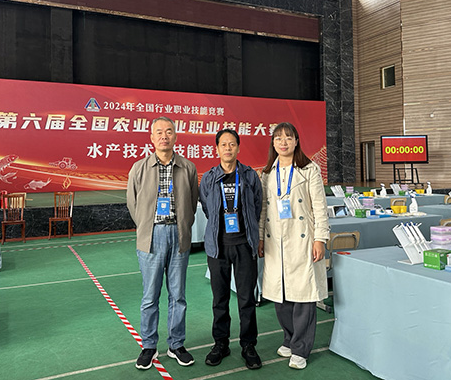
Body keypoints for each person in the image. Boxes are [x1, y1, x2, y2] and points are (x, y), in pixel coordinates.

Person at [126, 117, 199, 370]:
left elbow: (192, 203)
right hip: (151, 237)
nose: (164, 136)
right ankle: (149, 345)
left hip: (179, 236)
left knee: (178, 296)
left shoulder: (188, 168)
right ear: (151, 138)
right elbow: (132, 203)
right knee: (150, 296)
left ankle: (176, 344)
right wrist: (147, 226)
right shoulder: (139, 168)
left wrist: (182, 226)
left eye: (169, 132)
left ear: (175, 136)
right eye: (159, 132)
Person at [257, 122, 329, 370]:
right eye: (278, 138)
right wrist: (260, 237)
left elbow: (319, 207)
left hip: (303, 239)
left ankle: (300, 348)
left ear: (297, 141)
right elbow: (263, 209)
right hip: (275, 240)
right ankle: (289, 338)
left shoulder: (309, 169)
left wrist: (320, 239)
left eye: (288, 137)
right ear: (273, 143)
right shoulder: (267, 173)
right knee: (281, 294)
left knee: (303, 295)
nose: (283, 142)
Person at [199, 129, 263, 370]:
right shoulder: (209, 177)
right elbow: (207, 207)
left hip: (244, 245)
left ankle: (248, 345)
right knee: (220, 299)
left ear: (238, 148)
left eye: (232, 144)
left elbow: (257, 205)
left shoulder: (249, 176)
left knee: (247, 299)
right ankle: (221, 343)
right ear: (217, 148)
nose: (228, 148)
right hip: (218, 247)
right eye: (223, 144)